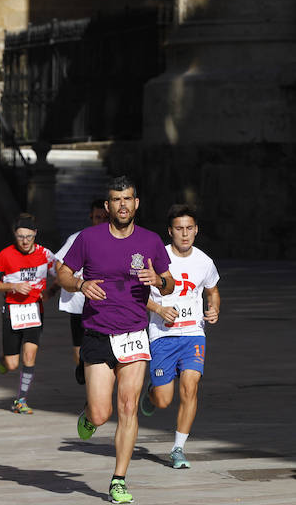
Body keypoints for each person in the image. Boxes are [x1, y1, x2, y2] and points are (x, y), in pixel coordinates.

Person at [56, 176, 175, 505]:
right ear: (107, 206)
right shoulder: (88, 238)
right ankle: (89, 416)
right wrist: (80, 285)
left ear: (136, 203)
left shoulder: (150, 241)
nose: (122, 205)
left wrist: (158, 279)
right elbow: (63, 273)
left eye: (128, 199)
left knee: (128, 407)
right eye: (116, 200)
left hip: (135, 334)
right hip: (98, 333)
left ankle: (119, 479)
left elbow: (170, 284)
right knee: (100, 413)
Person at [139, 204, 221, 470]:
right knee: (163, 400)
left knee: (190, 387)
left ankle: (178, 448)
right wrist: (159, 309)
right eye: (179, 229)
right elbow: (137, 296)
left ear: (196, 230)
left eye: (189, 228)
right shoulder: (156, 258)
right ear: (170, 231)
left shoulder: (205, 261)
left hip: (193, 334)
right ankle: (151, 393)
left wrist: (214, 309)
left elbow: (212, 291)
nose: (185, 234)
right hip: (162, 335)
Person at [0, 213, 55, 414]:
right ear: (15, 235)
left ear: (35, 234)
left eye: (28, 237)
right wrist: (13, 286)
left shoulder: (45, 254)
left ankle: (21, 400)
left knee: (30, 355)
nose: (25, 241)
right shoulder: (4, 255)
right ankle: (4, 360)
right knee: (12, 363)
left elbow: (62, 275)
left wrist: (50, 292)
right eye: (20, 237)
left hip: (34, 310)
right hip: (12, 310)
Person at [54, 199, 110, 382]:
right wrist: (76, 282)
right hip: (78, 304)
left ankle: (95, 385)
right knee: (79, 351)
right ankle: (86, 377)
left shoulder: (116, 239)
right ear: (91, 217)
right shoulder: (79, 238)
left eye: (104, 217)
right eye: (97, 217)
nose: (101, 221)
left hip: (104, 305)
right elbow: (59, 265)